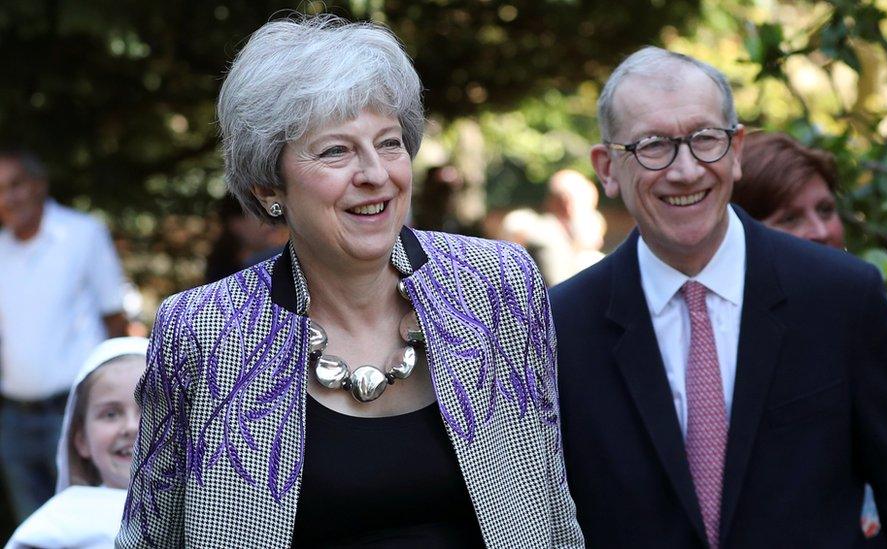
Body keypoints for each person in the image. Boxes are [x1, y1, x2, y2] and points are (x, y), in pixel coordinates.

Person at [118, 15, 582, 548]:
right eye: (336, 150)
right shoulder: (202, 331)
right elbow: (152, 537)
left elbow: (552, 514)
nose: (375, 174)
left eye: (389, 143)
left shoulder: (500, 286)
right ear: (271, 186)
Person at [550, 46, 887, 547]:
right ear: (608, 168)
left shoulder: (841, 298)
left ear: (737, 149)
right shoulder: (561, 326)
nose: (686, 170)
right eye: (653, 146)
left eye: (705, 139)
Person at [733, 130, 887, 546]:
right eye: (789, 218)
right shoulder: (713, 350)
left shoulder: (879, 335)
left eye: (826, 209)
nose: (819, 230)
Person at [0, 150, 128, 521]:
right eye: (0, 190)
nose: (9, 198)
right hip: (13, 417)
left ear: (38, 185)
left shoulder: (83, 234)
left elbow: (114, 318)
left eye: (16, 185)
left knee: (86, 523)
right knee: (34, 527)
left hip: (73, 412)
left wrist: (109, 402)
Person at [5, 336, 148, 549]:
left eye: (150, 411)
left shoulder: (204, 513)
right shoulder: (51, 528)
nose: (131, 427)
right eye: (110, 414)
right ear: (81, 440)